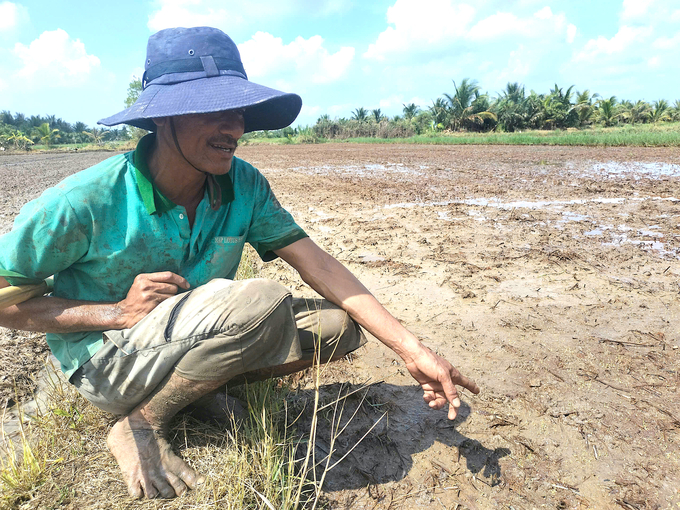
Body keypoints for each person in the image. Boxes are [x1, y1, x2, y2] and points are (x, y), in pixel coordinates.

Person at [0, 27, 479, 499]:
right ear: (163, 120)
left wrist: (411, 349)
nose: (234, 128)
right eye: (213, 111)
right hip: (107, 360)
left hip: (187, 338)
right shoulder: (83, 201)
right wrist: (114, 313)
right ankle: (140, 423)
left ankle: (197, 389)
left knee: (340, 325)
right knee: (262, 301)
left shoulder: (243, 185)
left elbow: (320, 265)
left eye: (238, 110)